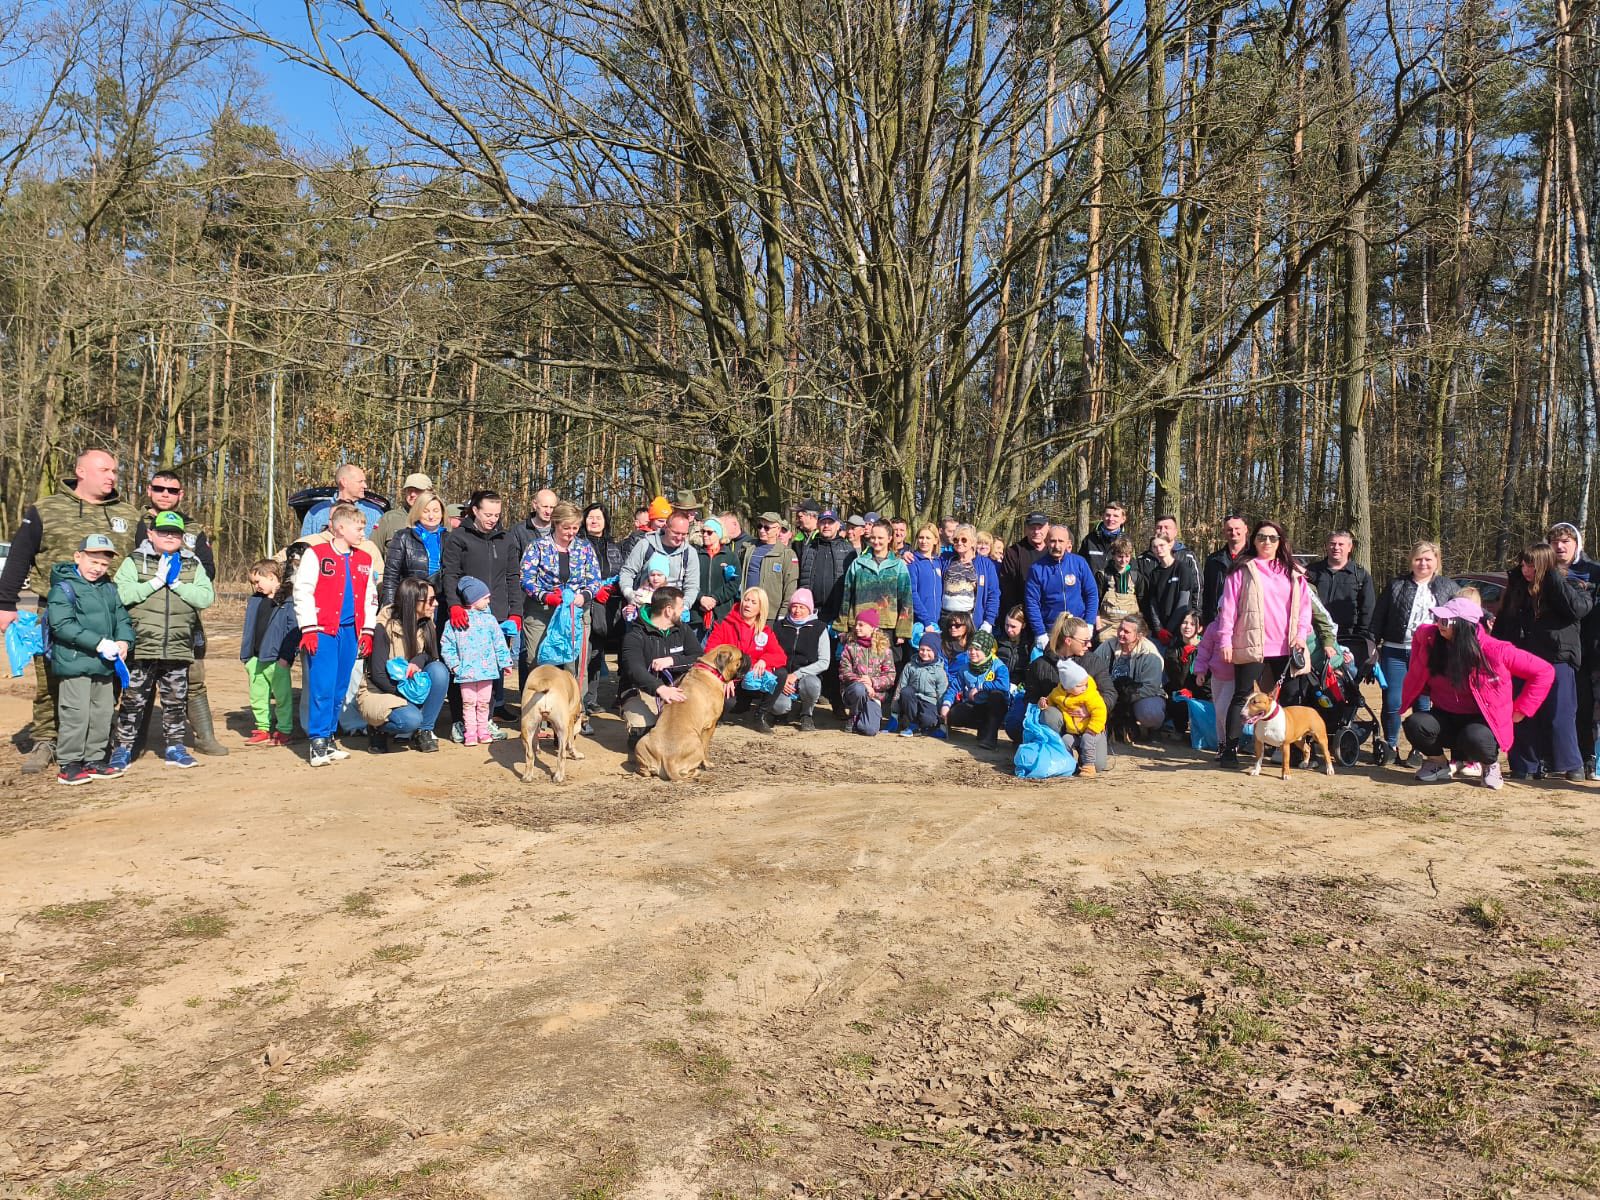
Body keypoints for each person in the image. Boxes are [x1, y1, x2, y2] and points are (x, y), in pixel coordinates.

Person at [0, 448, 141, 774]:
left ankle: (96, 742)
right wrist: (5, 603)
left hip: (109, 610)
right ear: (81, 472)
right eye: (105, 470)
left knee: (106, 680)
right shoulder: (46, 509)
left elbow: (143, 559)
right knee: (51, 680)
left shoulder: (129, 514)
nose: (112, 476)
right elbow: (20, 555)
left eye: (115, 471)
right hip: (57, 610)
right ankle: (47, 740)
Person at [1402, 597, 1554, 789]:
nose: (1439, 624)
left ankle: (1490, 766)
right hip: (1445, 716)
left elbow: (1544, 671)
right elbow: (1418, 635)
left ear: (1463, 626)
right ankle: (1437, 762)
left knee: (1475, 737)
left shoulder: (1495, 650)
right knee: (1415, 724)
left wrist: (1522, 709)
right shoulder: (1432, 638)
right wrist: (1417, 676)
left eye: (1445, 621)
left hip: (1481, 721)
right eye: (1438, 619)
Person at [105, 511, 214, 770]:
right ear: (151, 534)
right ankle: (122, 749)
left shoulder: (192, 564)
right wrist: (155, 582)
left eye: (175, 532)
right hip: (141, 646)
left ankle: (175, 748)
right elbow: (121, 595)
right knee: (133, 701)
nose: (169, 536)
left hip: (178, 646)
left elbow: (205, 597)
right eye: (163, 531)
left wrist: (176, 585)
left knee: (175, 701)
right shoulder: (134, 561)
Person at [134, 469, 228, 756]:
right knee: (142, 678)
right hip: (145, 615)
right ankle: (133, 742)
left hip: (184, 616)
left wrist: (182, 582)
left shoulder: (193, 528)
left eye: (172, 490)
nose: (165, 494)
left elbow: (208, 569)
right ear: (149, 490)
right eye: (159, 488)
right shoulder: (134, 522)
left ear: (180, 494)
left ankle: (204, 737)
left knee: (193, 676)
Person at [1213, 520, 1314, 765]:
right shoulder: (1241, 570)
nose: (1266, 542)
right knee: (1242, 697)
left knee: (1291, 697)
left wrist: (1301, 635)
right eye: (1261, 537)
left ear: (1280, 542)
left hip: (1287, 646)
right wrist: (1225, 640)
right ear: (1253, 540)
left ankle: (1291, 750)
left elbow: (1305, 609)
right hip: (1251, 643)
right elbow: (1228, 609)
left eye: (1272, 538)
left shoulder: (1294, 572)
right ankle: (1230, 750)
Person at [1497, 542, 1593, 781]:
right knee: (1521, 711)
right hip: (1522, 658)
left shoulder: (1571, 584)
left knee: (1560, 713)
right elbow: (1504, 619)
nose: (1525, 570)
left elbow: (1578, 609)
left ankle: (1570, 764)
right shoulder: (1517, 587)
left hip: (1557, 657)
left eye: (1531, 565)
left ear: (1544, 565)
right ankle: (1525, 765)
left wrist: (1552, 578)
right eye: (1522, 565)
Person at [293, 503, 379, 767]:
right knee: (322, 686)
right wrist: (308, 628)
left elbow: (370, 597)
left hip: (350, 631)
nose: (363, 533)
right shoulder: (316, 554)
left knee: (340, 686)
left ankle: (329, 737)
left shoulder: (364, 559)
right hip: (323, 631)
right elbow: (302, 591)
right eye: (359, 528)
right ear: (340, 528)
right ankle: (317, 740)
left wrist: (368, 630)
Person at [46, 535, 134, 785]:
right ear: (78, 557)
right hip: (75, 663)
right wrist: (98, 643)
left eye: (104, 564)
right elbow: (62, 625)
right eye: (93, 561)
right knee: (76, 713)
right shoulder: (63, 588)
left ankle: (94, 759)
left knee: (102, 712)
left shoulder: (109, 588)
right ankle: (69, 763)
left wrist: (124, 641)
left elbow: (122, 618)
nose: (98, 568)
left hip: (104, 664)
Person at [441, 490, 522, 731]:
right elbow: (450, 574)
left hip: (496, 614)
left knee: (493, 668)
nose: (492, 519)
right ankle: (461, 720)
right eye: (488, 514)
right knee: (464, 670)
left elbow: (513, 576)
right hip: (465, 615)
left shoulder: (506, 539)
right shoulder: (458, 538)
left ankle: (487, 719)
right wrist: (455, 605)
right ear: (475, 510)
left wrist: (515, 612)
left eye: (497, 515)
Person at [1371, 540, 1459, 760]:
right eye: (1418, 559)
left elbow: (1466, 609)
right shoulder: (1396, 585)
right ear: (1411, 561)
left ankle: (1420, 748)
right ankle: (1391, 745)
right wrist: (1371, 645)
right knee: (1393, 702)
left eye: (1428, 559)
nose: (1423, 563)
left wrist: (1487, 619)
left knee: (1422, 702)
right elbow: (1378, 618)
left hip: (1429, 653)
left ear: (1437, 561)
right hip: (1395, 651)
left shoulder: (1448, 587)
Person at [520, 502, 601, 704]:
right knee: (537, 660)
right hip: (542, 610)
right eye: (566, 528)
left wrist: (584, 595)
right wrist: (544, 596)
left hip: (576, 611)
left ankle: (575, 709)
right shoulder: (537, 547)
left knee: (576, 663)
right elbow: (526, 578)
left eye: (575, 528)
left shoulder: (585, 548)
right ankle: (540, 706)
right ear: (555, 524)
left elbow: (594, 579)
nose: (571, 533)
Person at [359, 576, 448, 753]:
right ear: (413, 601)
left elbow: (432, 657)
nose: (436, 604)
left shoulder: (427, 622)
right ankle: (377, 728)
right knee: (410, 720)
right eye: (431, 600)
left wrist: (418, 660)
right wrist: (409, 695)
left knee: (439, 671)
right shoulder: (383, 626)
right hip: (380, 691)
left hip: (409, 685)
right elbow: (378, 675)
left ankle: (424, 730)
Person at [617, 586, 702, 749]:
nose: (683, 610)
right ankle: (638, 733)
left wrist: (672, 660)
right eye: (681, 607)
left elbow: (698, 657)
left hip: (675, 688)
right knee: (645, 733)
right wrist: (660, 688)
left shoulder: (683, 629)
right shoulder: (635, 635)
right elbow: (635, 670)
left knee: (680, 729)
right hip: (641, 690)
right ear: (668, 610)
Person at [1547, 521, 1600, 777]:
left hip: (1590, 648)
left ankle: (1587, 756)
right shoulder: (1543, 570)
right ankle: (1553, 756)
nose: (1560, 546)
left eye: (1565, 541)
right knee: (1559, 706)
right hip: (1558, 649)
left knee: (1587, 705)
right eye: (1555, 542)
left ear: (1577, 544)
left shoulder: (1594, 571)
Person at [442, 575, 515, 747]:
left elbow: (499, 643)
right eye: (485, 598)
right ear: (473, 599)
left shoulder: (490, 620)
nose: (488, 601)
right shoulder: (454, 622)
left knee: (483, 702)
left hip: (487, 671)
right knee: (468, 703)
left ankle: (483, 731)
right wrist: (454, 665)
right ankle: (470, 733)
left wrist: (505, 662)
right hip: (465, 672)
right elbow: (447, 644)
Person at [705, 587, 789, 732]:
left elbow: (781, 656)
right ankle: (720, 713)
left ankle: (760, 716)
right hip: (732, 680)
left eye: (753, 602)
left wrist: (765, 660)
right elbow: (710, 652)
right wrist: (725, 676)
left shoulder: (765, 631)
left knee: (781, 673)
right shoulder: (725, 624)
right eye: (746, 600)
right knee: (729, 704)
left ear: (761, 608)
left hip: (753, 680)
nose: (747, 604)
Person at [241, 559, 294, 747]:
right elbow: (249, 628)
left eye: (257, 581)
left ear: (271, 577)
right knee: (257, 696)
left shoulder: (288, 601)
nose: (255, 586)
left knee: (282, 697)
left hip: (277, 660)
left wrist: (285, 658)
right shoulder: (255, 600)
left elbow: (293, 631)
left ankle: (284, 730)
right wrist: (247, 658)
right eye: (253, 582)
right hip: (255, 658)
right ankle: (262, 729)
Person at [839, 519, 914, 644]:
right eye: (873, 537)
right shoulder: (858, 563)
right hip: (860, 625)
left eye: (880, 538)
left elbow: (906, 599)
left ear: (889, 538)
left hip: (888, 626)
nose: (876, 541)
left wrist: (903, 631)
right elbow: (847, 595)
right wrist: (842, 626)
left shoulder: (898, 565)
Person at [1024, 526, 1099, 649]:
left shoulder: (1079, 563)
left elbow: (1092, 594)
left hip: (1078, 629)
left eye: (1061, 541)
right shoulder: (1036, 569)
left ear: (1068, 543)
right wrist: (1040, 632)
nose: (1057, 546)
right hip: (1051, 631)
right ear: (1046, 541)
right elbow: (1032, 603)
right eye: (1053, 541)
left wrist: (1089, 622)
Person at [1307, 530, 1377, 661]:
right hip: (1316, 636)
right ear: (1326, 546)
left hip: (1348, 638)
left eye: (1341, 544)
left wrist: (1360, 639)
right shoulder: (1311, 572)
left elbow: (1367, 611)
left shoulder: (1360, 575)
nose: (1336, 547)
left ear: (1350, 547)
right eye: (1332, 543)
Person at [941, 628, 1010, 750]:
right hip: (975, 705)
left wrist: (981, 687)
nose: (972, 652)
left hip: (994, 708)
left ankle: (990, 737)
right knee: (953, 715)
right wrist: (946, 705)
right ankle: (983, 727)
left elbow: (1003, 685)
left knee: (997, 696)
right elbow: (954, 688)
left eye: (977, 649)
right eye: (970, 649)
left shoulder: (999, 666)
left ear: (986, 650)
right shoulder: (965, 668)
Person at [771, 589, 829, 730]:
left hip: (807, 676)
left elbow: (824, 662)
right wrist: (782, 678)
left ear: (809, 609)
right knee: (779, 707)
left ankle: (806, 714)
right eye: (794, 606)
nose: (797, 611)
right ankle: (782, 713)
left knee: (812, 685)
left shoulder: (819, 628)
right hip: (782, 675)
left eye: (802, 607)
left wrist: (797, 675)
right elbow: (771, 655)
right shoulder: (778, 626)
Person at [621, 510, 701, 610]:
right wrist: (629, 593)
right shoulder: (645, 545)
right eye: (676, 533)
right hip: (644, 607)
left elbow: (692, 585)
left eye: (684, 534)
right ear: (666, 527)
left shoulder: (690, 553)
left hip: (674, 610)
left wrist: (684, 607)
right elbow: (627, 571)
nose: (679, 537)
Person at [380, 490, 446, 609]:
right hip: (411, 601)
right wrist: (389, 607)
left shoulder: (451, 538)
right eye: (425, 511)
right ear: (417, 512)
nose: (431, 516)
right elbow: (391, 577)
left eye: (436, 511)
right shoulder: (403, 537)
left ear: (442, 513)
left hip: (442, 603)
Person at [1106, 615, 1167, 740]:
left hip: (1142, 695)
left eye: (1126, 632)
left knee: (1150, 713)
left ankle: (1153, 728)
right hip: (1113, 694)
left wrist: (1125, 697)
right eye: (1120, 629)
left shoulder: (1150, 654)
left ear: (1139, 636)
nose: (1121, 633)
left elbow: (1151, 687)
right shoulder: (1108, 645)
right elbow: (1094, 669)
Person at [838, 608, 894, 735]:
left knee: (869, 730)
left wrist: (873, 682)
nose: (857, 628)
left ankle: (864, 716)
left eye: (861, 625)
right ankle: (853, 715)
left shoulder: (884, 650)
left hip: (874, 695)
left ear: (872, 628)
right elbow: (844, 672)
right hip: (853, 691)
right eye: (856, 624)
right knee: (859, 689)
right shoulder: (850, 647)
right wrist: (863, 683)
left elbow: (890, 676)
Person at [1046, 659, 1107, 777]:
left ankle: (1089, 766)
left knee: (1087, 740)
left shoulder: (1090, 694)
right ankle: (1069, 764)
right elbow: (1051, 700)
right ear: (1067, 686)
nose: (1084, 687)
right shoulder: (1057, 693)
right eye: (1079, 686)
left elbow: (1100, 711)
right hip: (1073, 732)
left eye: (1085, 684)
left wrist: (1093, 728)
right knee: (1065, 740)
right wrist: (1045, 703)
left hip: (1092, 730)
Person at [1138, 532, 1200, 647]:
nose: (1158, 549)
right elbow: (1153, 603)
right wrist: (1159, 629)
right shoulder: (1154, 573)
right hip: (1160, 633)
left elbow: (1183, 602)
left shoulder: (1182, 568)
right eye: (1155, 547)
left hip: (1180, 630)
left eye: (1162, 545)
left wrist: (1169, 629)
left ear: (1170, 545)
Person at [798, 509, 856, 624]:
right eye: (823, 522)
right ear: (818, 525)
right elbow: (802, 578)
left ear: (838, 525)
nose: (826, 526)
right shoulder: (809, 548)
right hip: (812, 613)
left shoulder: (848, 551)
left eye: (830, 522)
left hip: (837, 614)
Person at [738, 511, 799, 617]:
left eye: (767, 528)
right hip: (746, 609)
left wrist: (783, 612)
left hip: (771, 613)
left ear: (778, 529)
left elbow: (790, 586)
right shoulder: (747, 548)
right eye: (759, 526)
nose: (762, 530)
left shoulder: (787, 554)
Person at [299, 463, 384, 540]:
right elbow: (304, 545)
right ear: (344, 482)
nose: (365, 486)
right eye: (360, 481)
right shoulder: (316, 513)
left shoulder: (375, 513)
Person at [942, 524, 1001, 633]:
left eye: (964, 540)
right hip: (946, 619)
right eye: (956, 540)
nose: (959, 543)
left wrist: (988, 621)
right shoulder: (946, 560)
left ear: (973, 542)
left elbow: (993, 594)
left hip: (970, 621)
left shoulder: (986, 565)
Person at [894, 630, 949, 738]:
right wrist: (894, 712)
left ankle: (931, 726)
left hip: (929, 701)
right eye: (922, 649)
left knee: (928, 720)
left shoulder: (939, 671)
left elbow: (942, 693)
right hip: (912, 701)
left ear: (936, 651)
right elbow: (900, 687)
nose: (924, 653)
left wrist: (942, 715)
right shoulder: (910, 666)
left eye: (929, 650)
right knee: (906, 691)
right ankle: (913, 724)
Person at [999, 512, 1051, 621]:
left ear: (1048, 528)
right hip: (1023, 615)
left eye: (1040, 527)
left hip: (1050, 614)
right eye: (1032, 528)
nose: (1036, 531)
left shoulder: (1053, 551)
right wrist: (1016, 615)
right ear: (1026, 529)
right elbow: (1007, 588)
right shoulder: (1014, 552)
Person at [1193, 617, 1235, 750]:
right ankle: (1221, 743)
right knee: (1218, 712)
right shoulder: (1213, 627)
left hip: (1234, 677)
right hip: (1216, 676)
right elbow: (1204, 649)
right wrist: (1200, 671)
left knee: (1223, 710)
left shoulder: (1238, 626)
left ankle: (1231, 743)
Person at [1202, 514, 1252, 626]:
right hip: (1219, 621)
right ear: (1224, 532)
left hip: (1247, 622)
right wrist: (1207, 622)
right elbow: (1207, 595)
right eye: (1229, 529)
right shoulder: (1213, 560)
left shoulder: (1255, 558)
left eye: (1237, 528)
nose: (1233, 532)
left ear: (1245, 529)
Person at [694, 517, 742, 631]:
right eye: (703, 531)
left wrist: (715, 599)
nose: (705, 535)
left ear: (719, 534)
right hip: (697, 614)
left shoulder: (730, 557)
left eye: (709, 532)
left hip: (722, 614)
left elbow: (734, 584)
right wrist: (701, 598)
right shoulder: (694, 555)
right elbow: (688, 581)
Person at [373, 472, 435, 553]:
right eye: (409, 490)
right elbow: (373, 552)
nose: (412, 494)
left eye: (418, 490)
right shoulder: (390, 518)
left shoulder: (439, 520)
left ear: (430, 493)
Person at [907, 524, 946, 636]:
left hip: (938, 622)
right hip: (921, 623)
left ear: (935, 540)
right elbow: (912, 593)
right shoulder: (912, 562)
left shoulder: (938, 561)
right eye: (921, 537)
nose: (924, 541)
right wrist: (925, 620)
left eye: (928, 538)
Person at [1097, 536, 1142, 633]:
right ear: (1113, 555)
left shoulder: (1136, 576)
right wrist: (1098, 624)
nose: (1123, 560)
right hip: (1106, 628)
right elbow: (1095, 601)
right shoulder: (1103, 575)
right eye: (1120, 556)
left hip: (1131, 629)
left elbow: (1143, 603)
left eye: (1127, 556)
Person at [1079, 501, 1130, 579]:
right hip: (1092, 585)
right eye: (1108, 515)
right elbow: (1079, 566)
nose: (1111, 519)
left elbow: (1132, 569)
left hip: (1115, 585)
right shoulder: (1089, 540)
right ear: (1103, 516)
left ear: (1123, 519)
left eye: (1115, 516)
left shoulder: (1127, 541)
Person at [994, 606, 1029, 679]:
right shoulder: (998, 641)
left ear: (1023, 625)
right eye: (1007, 625)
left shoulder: (1028, 646)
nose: (1009, 630)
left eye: (1013, 626)